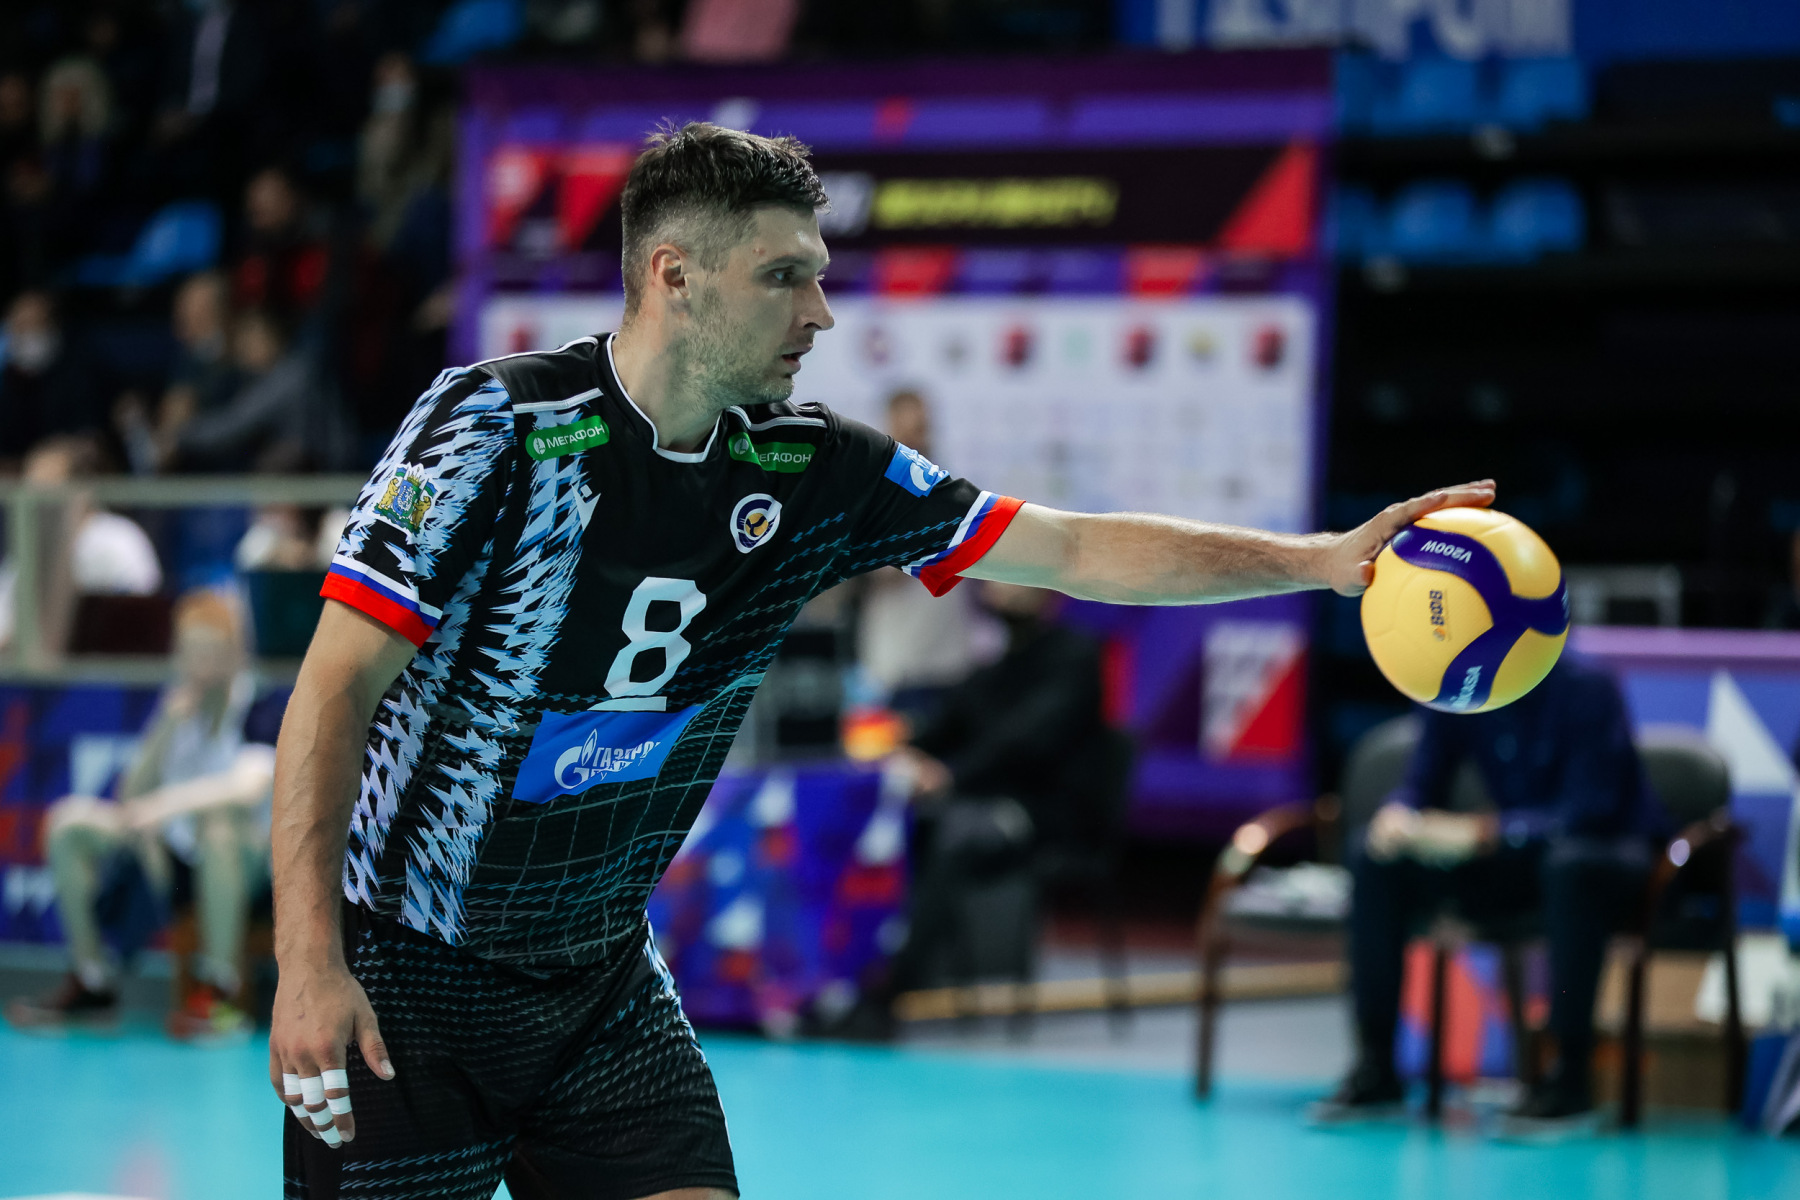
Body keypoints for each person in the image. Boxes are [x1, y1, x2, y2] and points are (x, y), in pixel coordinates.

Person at [268, 120, 1491, 1197]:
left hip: (598, 983)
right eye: (784, 277)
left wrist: (1321, 560)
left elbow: (1070, 549)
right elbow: (332, 689)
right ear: (674, 276)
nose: (820, 313)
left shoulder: (819, 470)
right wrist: (307, 963)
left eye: (819, 275)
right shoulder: (498, 425)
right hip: (408, 974)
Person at [1313, 656, 1670, 1133]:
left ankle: (1569, 1078)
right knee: (1374, 858)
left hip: (1606, 857)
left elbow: (1588, 810)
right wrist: (1400, 813)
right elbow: (1421, 782)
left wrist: (1484, 833)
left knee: (1570, 868)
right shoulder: (1460, 685)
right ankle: (1377, 1067)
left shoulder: (1588, 687)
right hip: (1517, 863)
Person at [5, 591, 277, 1040]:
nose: (200, 665)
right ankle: (93, 980)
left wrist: (164, 805)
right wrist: (165, 726)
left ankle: (222, 994)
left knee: (218, 829)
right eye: (190, 653)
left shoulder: (259, 708)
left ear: (234, 654)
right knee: (68, 824)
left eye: (211, 652)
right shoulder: (177, 710)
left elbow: (246, 790)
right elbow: (129, 796)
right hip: (171, 859)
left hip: (242, 868)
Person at [876, 580, 1109, 1008]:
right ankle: (852, 976)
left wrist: (951, 775)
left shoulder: (1075, 656)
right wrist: (902, 750)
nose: (998, 586)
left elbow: (1026, 742)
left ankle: (888, 994)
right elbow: (944, 729)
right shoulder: (994, 667)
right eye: (994, 579)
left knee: (954, 835)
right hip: (978, 800)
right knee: (897, 826)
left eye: (1013, 579)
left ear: (1047, 589)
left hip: (1044, 812)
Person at [855, 388, 995, 722]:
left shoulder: (954, 492)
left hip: (952, 662)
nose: (918, 441)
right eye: (907, 431)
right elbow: (875, 575)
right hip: (899, 668)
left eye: (922, 428)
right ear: (889, 428)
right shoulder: (869, 497)